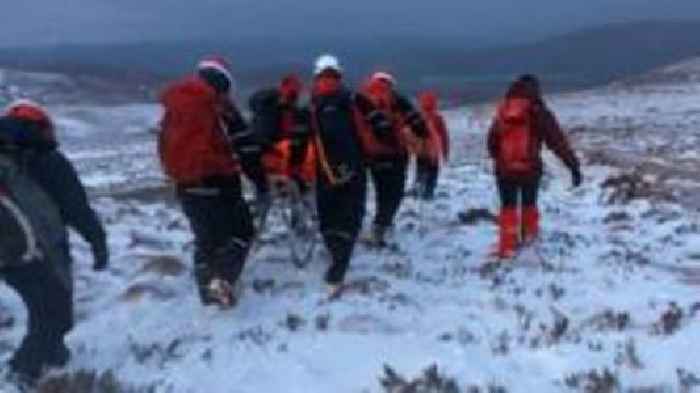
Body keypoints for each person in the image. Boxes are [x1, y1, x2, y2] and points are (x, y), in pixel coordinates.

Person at [0, 100, 108, 385]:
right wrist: (97, 241)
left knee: (44, 309)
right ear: (40, 127)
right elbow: (76, 208)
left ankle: (54, 359)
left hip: (8, 253)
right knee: (55, 313)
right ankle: (21, 374)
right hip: (41, 248)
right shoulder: (49, 161)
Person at [158, 56, 255, 308]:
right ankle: (222, 281)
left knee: (205, 238)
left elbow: (164, 145)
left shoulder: (175, 106)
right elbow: (245, 146)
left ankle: (206, 293)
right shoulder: (219, 105)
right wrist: (259, 181)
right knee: (241, 231)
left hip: (185, 184)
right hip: (219, 181)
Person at [308, 55, 391, 295]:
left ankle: (335, 254)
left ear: (317, 77)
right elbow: (381, 126)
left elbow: (300, 140)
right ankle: (338, 267)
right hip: (355, 167)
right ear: (339, 75)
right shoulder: (355, 99)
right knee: (351, 215)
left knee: (329, 215)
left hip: (325, 171)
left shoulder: (312, 105)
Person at [487, 75, 582, 259]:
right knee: (529, 203)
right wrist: (573, 166)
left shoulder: (504, 110)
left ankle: (507, 245)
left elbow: (492, 140)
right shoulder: (539, 112)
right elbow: (557, 142)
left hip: (505, 170)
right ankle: (530, 240)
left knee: (508, 206)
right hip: (530, 168)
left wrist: (499, 159)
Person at [360, 72, 427, 246]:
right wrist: (422, 133)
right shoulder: (397, 99)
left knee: (381, 191)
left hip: (373, 155)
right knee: (395, 192)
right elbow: (416, 121)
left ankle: (380, 225)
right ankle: (383, 224)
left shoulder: (361, 99)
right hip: (396, 152)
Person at [248, 74, 314, 197]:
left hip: (276, 155)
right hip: (269, 155)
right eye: (292, 95)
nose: (293, 99)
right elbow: (261, 137)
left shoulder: (291, 112)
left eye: (294, 96)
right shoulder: (268, 110)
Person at [415, 91, 449, 200]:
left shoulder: (417, 117)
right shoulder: (438, 118)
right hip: (432, 151)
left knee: (421, 170)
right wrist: (445, 152)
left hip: (420, 150)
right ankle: (428, 192)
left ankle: (419, 189)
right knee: (432, 172)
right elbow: (444, 136)